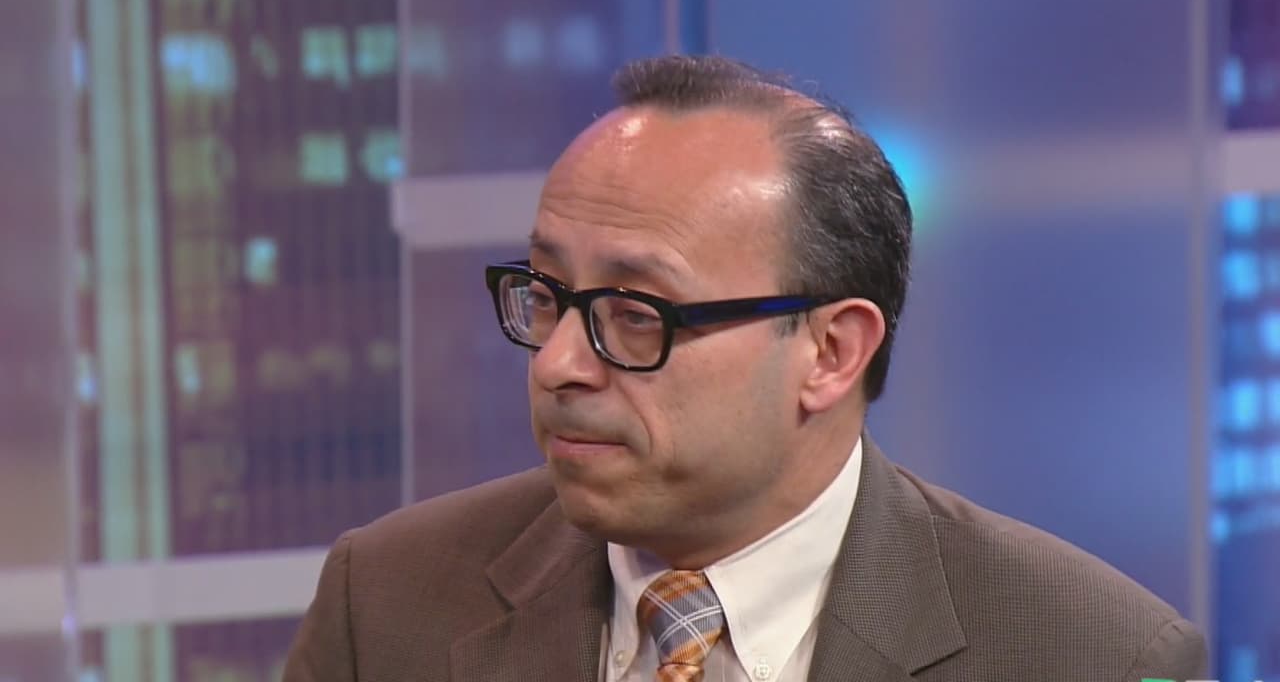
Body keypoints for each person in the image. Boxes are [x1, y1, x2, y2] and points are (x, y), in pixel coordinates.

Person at [283, 54, 1207, 682]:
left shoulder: (1096, 655)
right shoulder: (390, 599)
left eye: (636, 315)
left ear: (830, 353)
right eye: (549, 294)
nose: (559, 363)